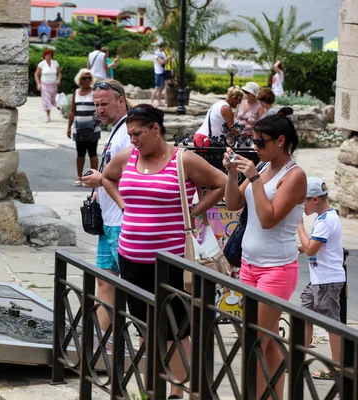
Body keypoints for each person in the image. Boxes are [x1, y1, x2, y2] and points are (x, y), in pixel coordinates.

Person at [101, 103, 226, 399]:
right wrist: (123, 206)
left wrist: (194, 212)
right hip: (131, 258)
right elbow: (107, 177)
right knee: (145, 329)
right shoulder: (127, 157)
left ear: (156, 129)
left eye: (137, 133)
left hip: (170, 262)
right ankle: (153, 388)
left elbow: (220, 183)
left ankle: (177, 392)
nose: (133, 139)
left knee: (175, 330)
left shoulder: (183, 160)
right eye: (130, 134)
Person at [223, 107, 307, 399]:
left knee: (254, 339)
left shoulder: (293, 176)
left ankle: (256, 395)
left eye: (260, 142)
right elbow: (232, 204)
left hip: (277, 269)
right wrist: (233, 173)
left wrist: (255, 180)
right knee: (265, 340)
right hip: (249, 265)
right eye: (253, 141)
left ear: (280, 141)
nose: (254, 147)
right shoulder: (261, 168)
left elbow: (269, 218)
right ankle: (272, 395)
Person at [80, 79, 131, 332]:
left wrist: (101, 180)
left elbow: (136, 173)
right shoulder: (115, 128)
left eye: (104, 104)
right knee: (105, 282)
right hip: (108, 219)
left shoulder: (129, 132)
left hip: (122, 222)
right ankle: (99, 343)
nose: (100, 109)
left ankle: (148, 342)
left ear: (120, 101)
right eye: (96, 105)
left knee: (132, 288)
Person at [297, 177, 345, 380]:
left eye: (303, 201)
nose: (301, 205)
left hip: (327, 281)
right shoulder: (324, 217)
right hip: (319, 278)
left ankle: (338, 367)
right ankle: (298, 361)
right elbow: (316, 247)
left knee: (331, 324)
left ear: (315, 199)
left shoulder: (327, 221)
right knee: (304, 315)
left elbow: (310, 249)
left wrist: (299, 225)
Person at [67, 69, 101, 187]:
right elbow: (72, 111)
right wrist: (69, 127)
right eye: (84, 78)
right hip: (79, 128)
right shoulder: (76, 93)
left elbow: (99, 108)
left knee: (92, 153)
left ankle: (93, 178)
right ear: (79, 80)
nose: (86, 80)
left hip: (93, 128)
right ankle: (79, 177)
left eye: (88, 78)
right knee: (80, 153)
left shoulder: (94, 93)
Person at [35, 49, 61, 122]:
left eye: (49, 55)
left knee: (53, 99)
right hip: (45, 84)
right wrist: (38, 84)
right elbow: (36, 74)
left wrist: (58, 80)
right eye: (47, 55)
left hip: (53, 84)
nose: (48, 57)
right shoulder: (41, 64)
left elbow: (59, 73)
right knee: (46, 99)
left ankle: (59, 108)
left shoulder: (55, 63)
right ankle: (48, 115)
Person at [150, 43, 173, 107]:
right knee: (157, 88)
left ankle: (159, 101)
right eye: (165, 47)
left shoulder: (163, 53)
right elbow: (161, 62)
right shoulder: (156, 54)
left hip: (163, 72)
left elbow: (166, 62)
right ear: (162, 47)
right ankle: (151, 101)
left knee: (161, 88)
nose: (165, 48)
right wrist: (167, 58)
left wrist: (170, 58)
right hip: (158, 72)